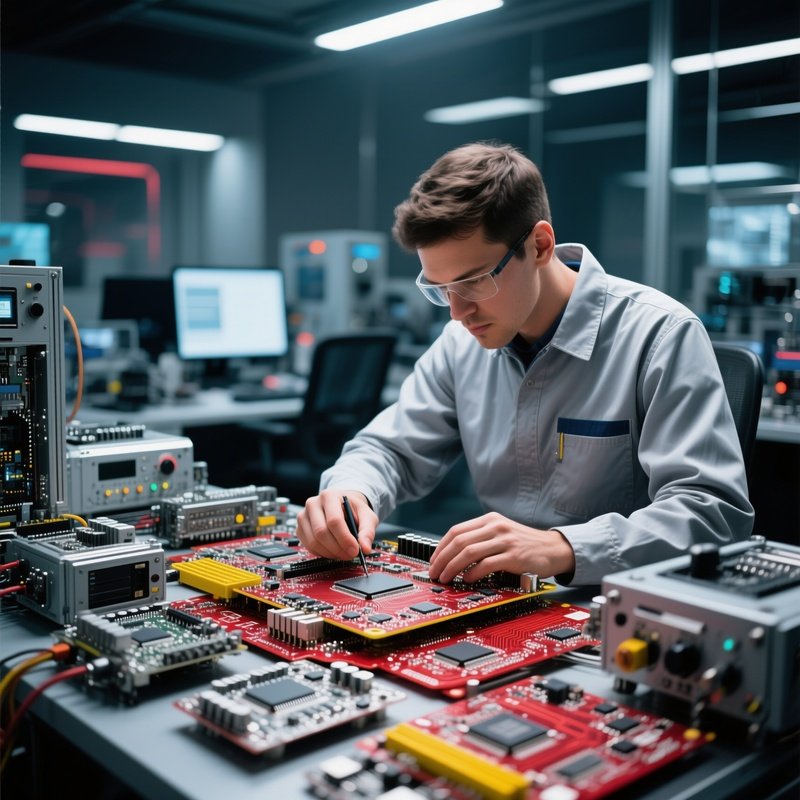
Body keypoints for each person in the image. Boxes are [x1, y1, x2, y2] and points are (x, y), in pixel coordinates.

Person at [295, 141, 753, 586]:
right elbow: (389, 450)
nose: (456, 312)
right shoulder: (460, 344)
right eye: (439, 289)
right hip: (501, 603)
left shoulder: (659, 334)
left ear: (539, 245)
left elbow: (710, 511)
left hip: (613, 609)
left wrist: (562, 548)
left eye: (472, 282)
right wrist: (350, 493)